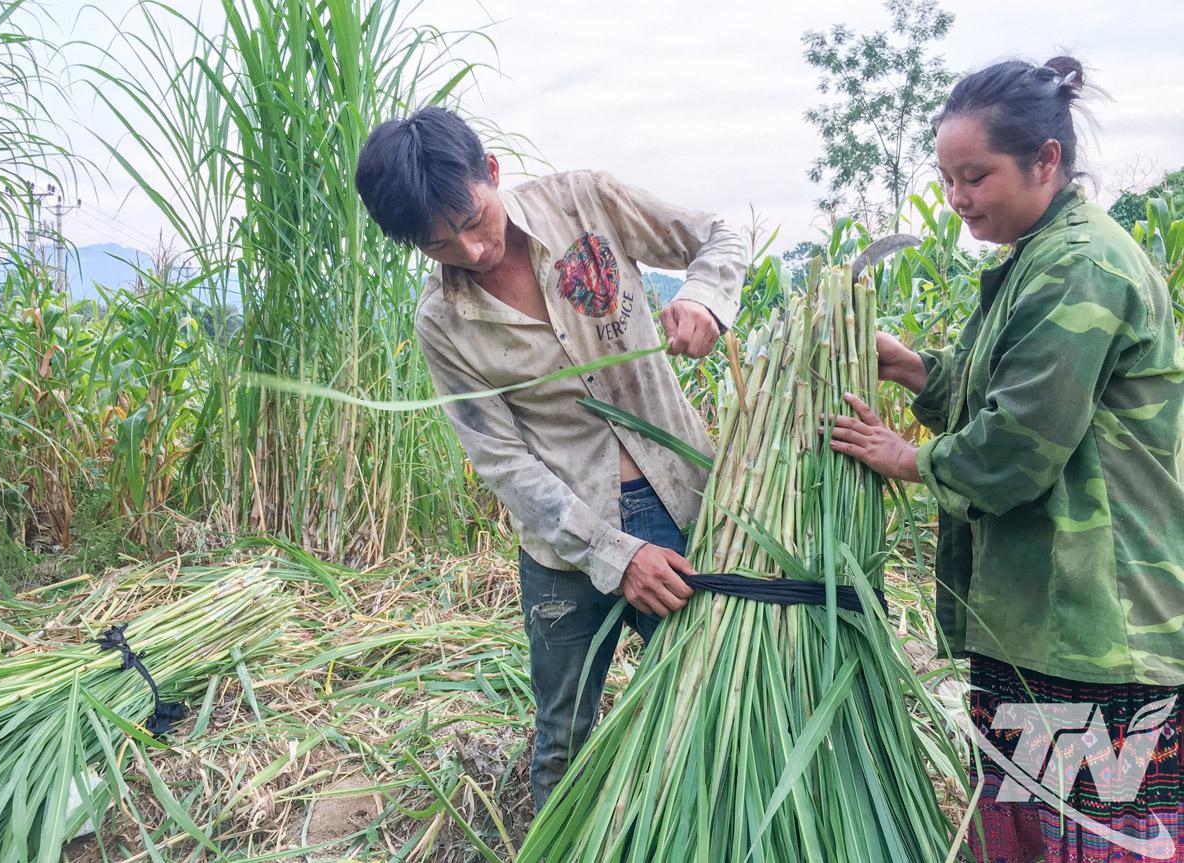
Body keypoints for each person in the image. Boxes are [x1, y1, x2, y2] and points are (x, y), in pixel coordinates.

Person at [825, 57, 1184, 862]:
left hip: (1097, 616)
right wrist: (914, 367)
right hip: (1044, 614)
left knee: (1096, 833)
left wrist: (907, 458)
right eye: (948, 178)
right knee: (1034, 827)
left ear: (1045, 161)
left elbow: (1018, 445)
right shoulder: (1035, 258)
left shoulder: (1080, 266)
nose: (957, 198)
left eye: (975, 175)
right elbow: (998, 391)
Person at [354, 107, 747, 808]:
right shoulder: (442, 322)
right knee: (562, 740)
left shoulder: (584, 201)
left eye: (474, 221)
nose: (471, 251)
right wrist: (615, 553)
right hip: (565, 547)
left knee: (711, 704)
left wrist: (704, 297)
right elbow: (503, 461)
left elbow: (719, 233)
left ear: (493, 173)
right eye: (441, 243)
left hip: (680, 503)